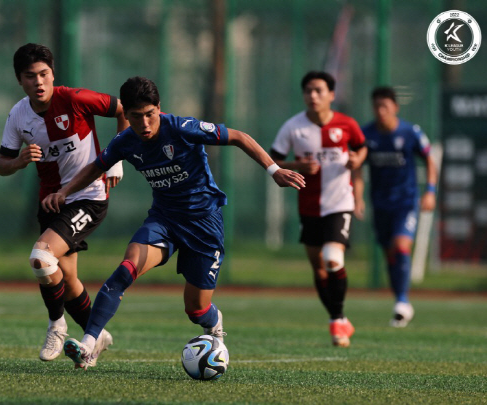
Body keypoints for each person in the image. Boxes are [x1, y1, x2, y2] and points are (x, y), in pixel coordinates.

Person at [42, 76, 305, 369]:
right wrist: (65, 192)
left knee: (195, 308)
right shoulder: (126, 142)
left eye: (149, 114)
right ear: (125, 115)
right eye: (135, 116)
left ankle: (214, 324)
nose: (144, 123)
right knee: (126, 268)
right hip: (164, 220)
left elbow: (239, 137)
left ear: (159, 108)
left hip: (204, 223)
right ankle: (89, 345)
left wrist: (275, 170)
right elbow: (96, 167)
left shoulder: (181, 128)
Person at [0, 43, 129, 363]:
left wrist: (115, 159)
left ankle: (57, 325)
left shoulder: (74, 99)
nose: (38, 82)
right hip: (53, 203)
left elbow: (124, 108)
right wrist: (20, 162)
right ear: (20, 80)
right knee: (66, 280)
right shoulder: (18, 115)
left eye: (44, 74)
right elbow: (2, 164)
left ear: (53, 74)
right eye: (30, 77)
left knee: (41, 257)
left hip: (89, 196)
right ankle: (94, 340)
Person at [270, 71, 367, 347]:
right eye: (308, 91)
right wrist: (298, 166)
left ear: (331, 95)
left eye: (319, 90)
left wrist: (357, 159)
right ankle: (339, 318)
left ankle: (336, 321)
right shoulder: (293, 127)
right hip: (309, 207)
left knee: (333, 258)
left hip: (340, 204)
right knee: (319, 270)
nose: (313, 96)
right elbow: (273, 160)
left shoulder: (347, 124)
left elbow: (362, 149)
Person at [354, 86, 437, 327]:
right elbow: (357, 168)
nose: (381, 111)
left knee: (401, 247)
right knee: (390, 253)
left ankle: (402, 300)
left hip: (406, 202)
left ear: (395, 108)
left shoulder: (410, 133)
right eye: (377, 107)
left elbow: (430, 160)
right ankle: (401, 301)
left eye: (385, 107)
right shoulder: (365, 134)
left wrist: (430, 192)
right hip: (380, 204)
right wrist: (357, 197)